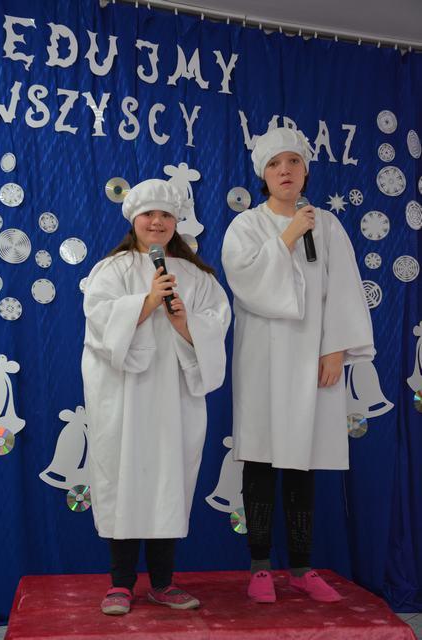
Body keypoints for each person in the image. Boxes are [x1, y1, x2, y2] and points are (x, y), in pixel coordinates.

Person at [221, 127, 374, 604]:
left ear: (306, 170)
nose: (284, 170)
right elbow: (247, 282)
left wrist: (336, 349)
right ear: (263, 174)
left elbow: (343, 288)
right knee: (261, 458)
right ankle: (260, 568)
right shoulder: (247, 226)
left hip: (312, 358)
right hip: (263, 359)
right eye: (274, 164)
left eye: (292, 162)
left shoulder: (327, 225)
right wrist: (287, 235)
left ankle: (303, 568)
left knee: (303, 461)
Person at [82, 179, 231, 614]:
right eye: (149, 214)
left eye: (166, 215)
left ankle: (163, 583)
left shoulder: (198, 277)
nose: (157, 222)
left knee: (169, 479)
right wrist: (146, 303)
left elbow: (216, 325)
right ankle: (121, 583)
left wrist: (186, 323)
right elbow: (99, 324)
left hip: (173, 398)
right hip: (125, 398)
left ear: (176, 221)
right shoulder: (111, 270)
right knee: (124, 477)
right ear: (134, 219)